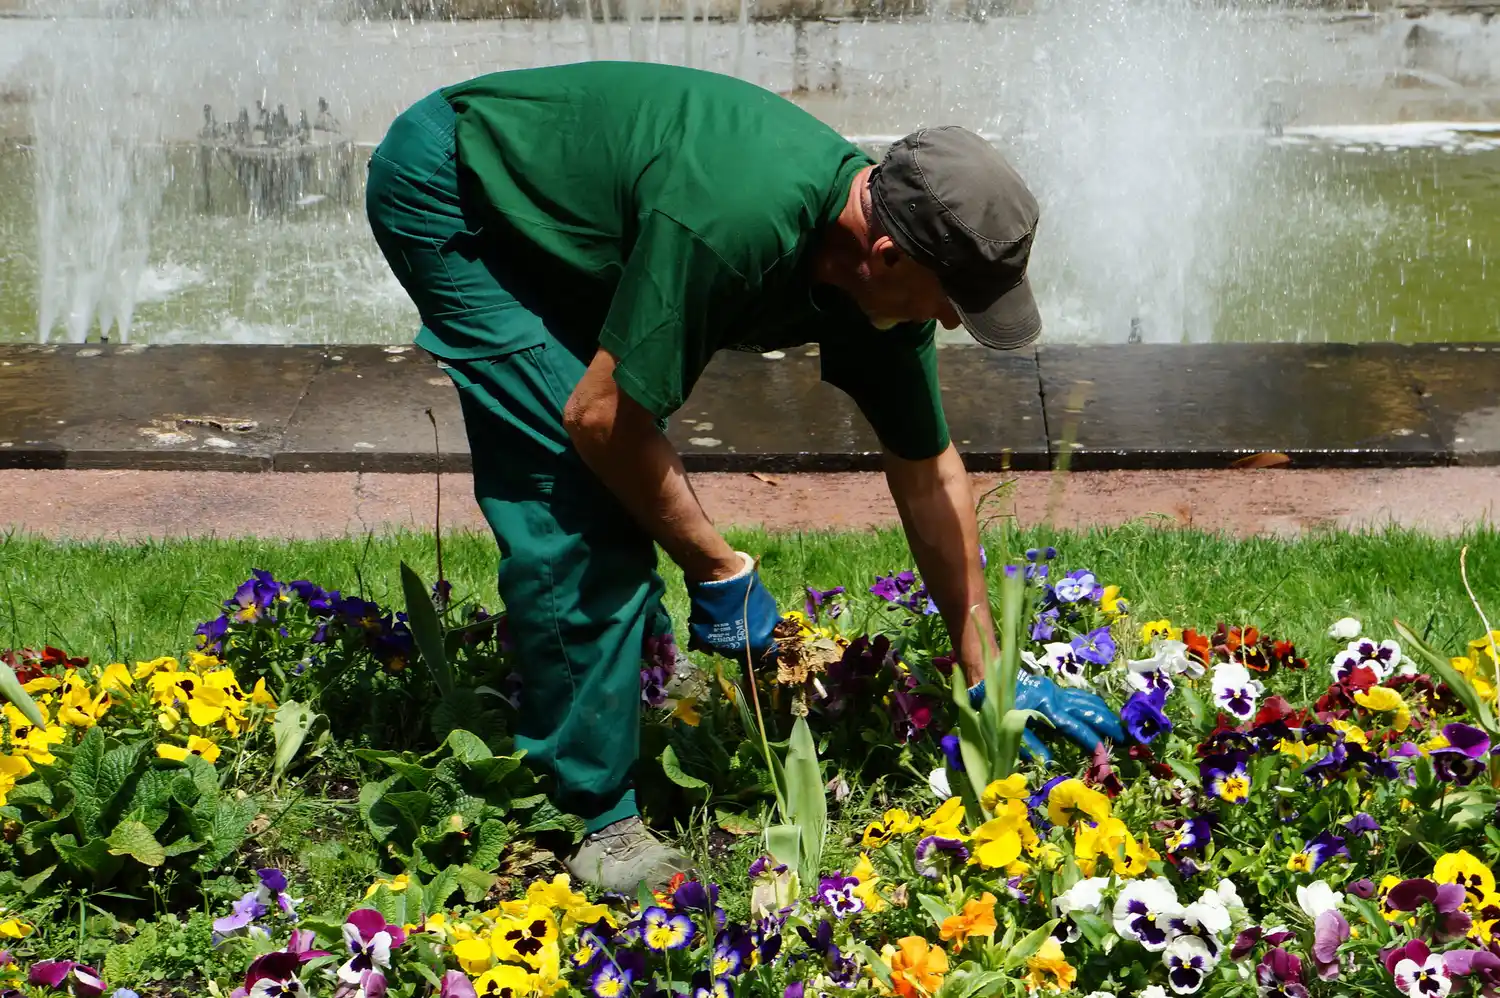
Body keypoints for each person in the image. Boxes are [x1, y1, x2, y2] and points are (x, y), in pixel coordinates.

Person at [365, 60, 1123, 893]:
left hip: (572, 214)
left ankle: (635, 670)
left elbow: (927, 470)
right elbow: (601, 421)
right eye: (948, 304)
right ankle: (587, 814)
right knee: (572, 491)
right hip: (461, 190)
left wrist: (984, 668)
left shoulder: (878, 282)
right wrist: (717, 567)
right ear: (886, 254)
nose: (947, 324)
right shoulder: (736, 221)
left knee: (610, 460)